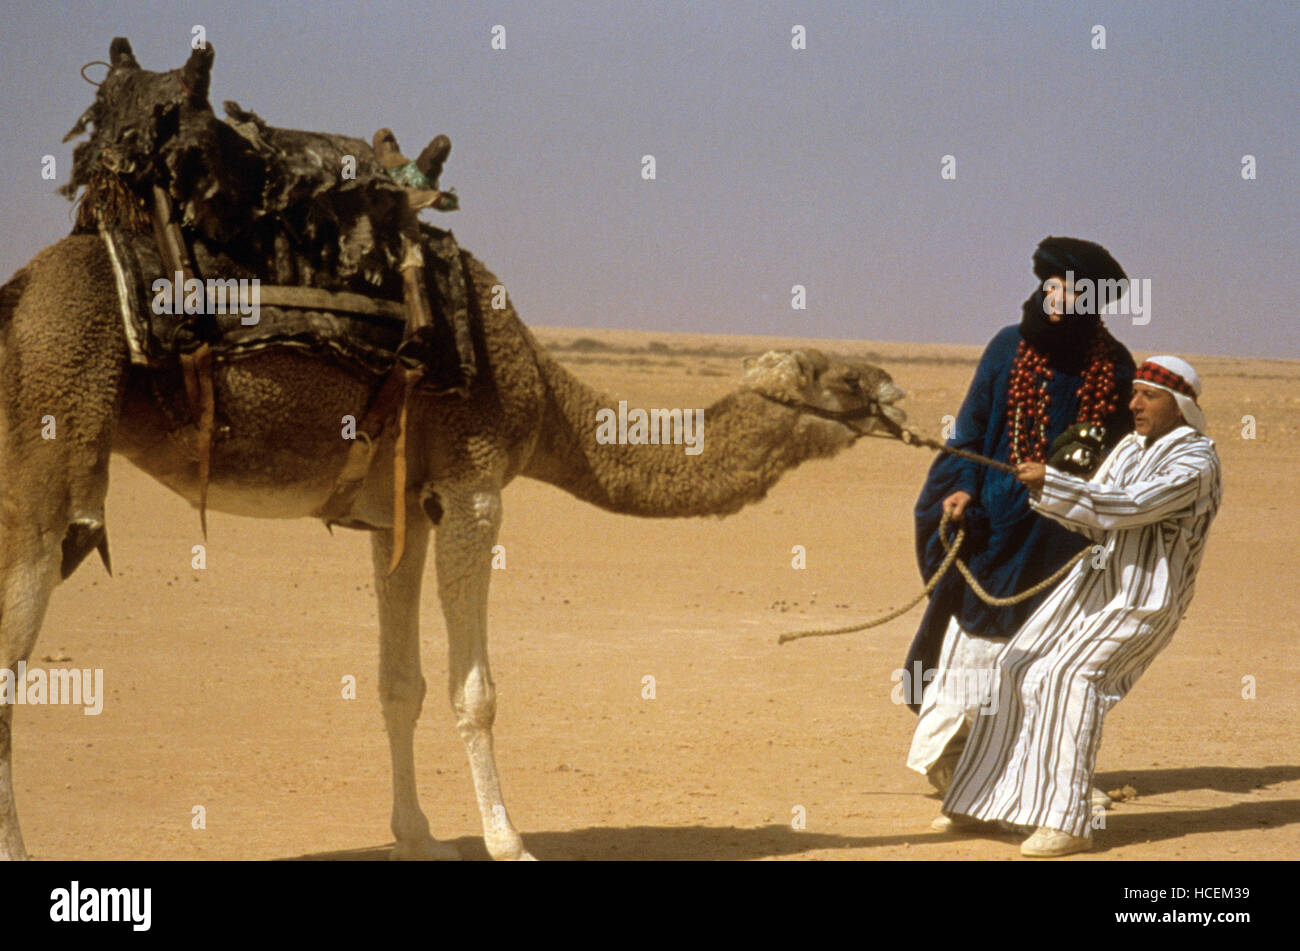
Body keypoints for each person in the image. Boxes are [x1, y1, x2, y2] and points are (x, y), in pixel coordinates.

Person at [936, 355, 1222, 856]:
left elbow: (1130, 507)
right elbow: (1094, 517)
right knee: (1015, 666)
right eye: (1133, 392)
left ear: (1179, 406)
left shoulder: (1195, 462)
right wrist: (1049, 486)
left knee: (1071, 678)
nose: (1133, 404)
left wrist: (1055, 483)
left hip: (1144, 601)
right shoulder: (1131, 448)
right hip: (1091, 591)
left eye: (1148, 395)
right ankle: (982, 800)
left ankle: (1067, 820)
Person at [903, 237, 1136, 795]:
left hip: (1067, 538)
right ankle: (951, 760)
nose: (1058, 299)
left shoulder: (1115, 366)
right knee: (976, 639)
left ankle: (1030, 767)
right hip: (997, 523)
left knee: (1052, 652)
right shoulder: (1008, 347)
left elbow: (1122, 454)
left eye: (1073, 291)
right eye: (1051, 287)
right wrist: (959, 487)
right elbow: (969, 426)